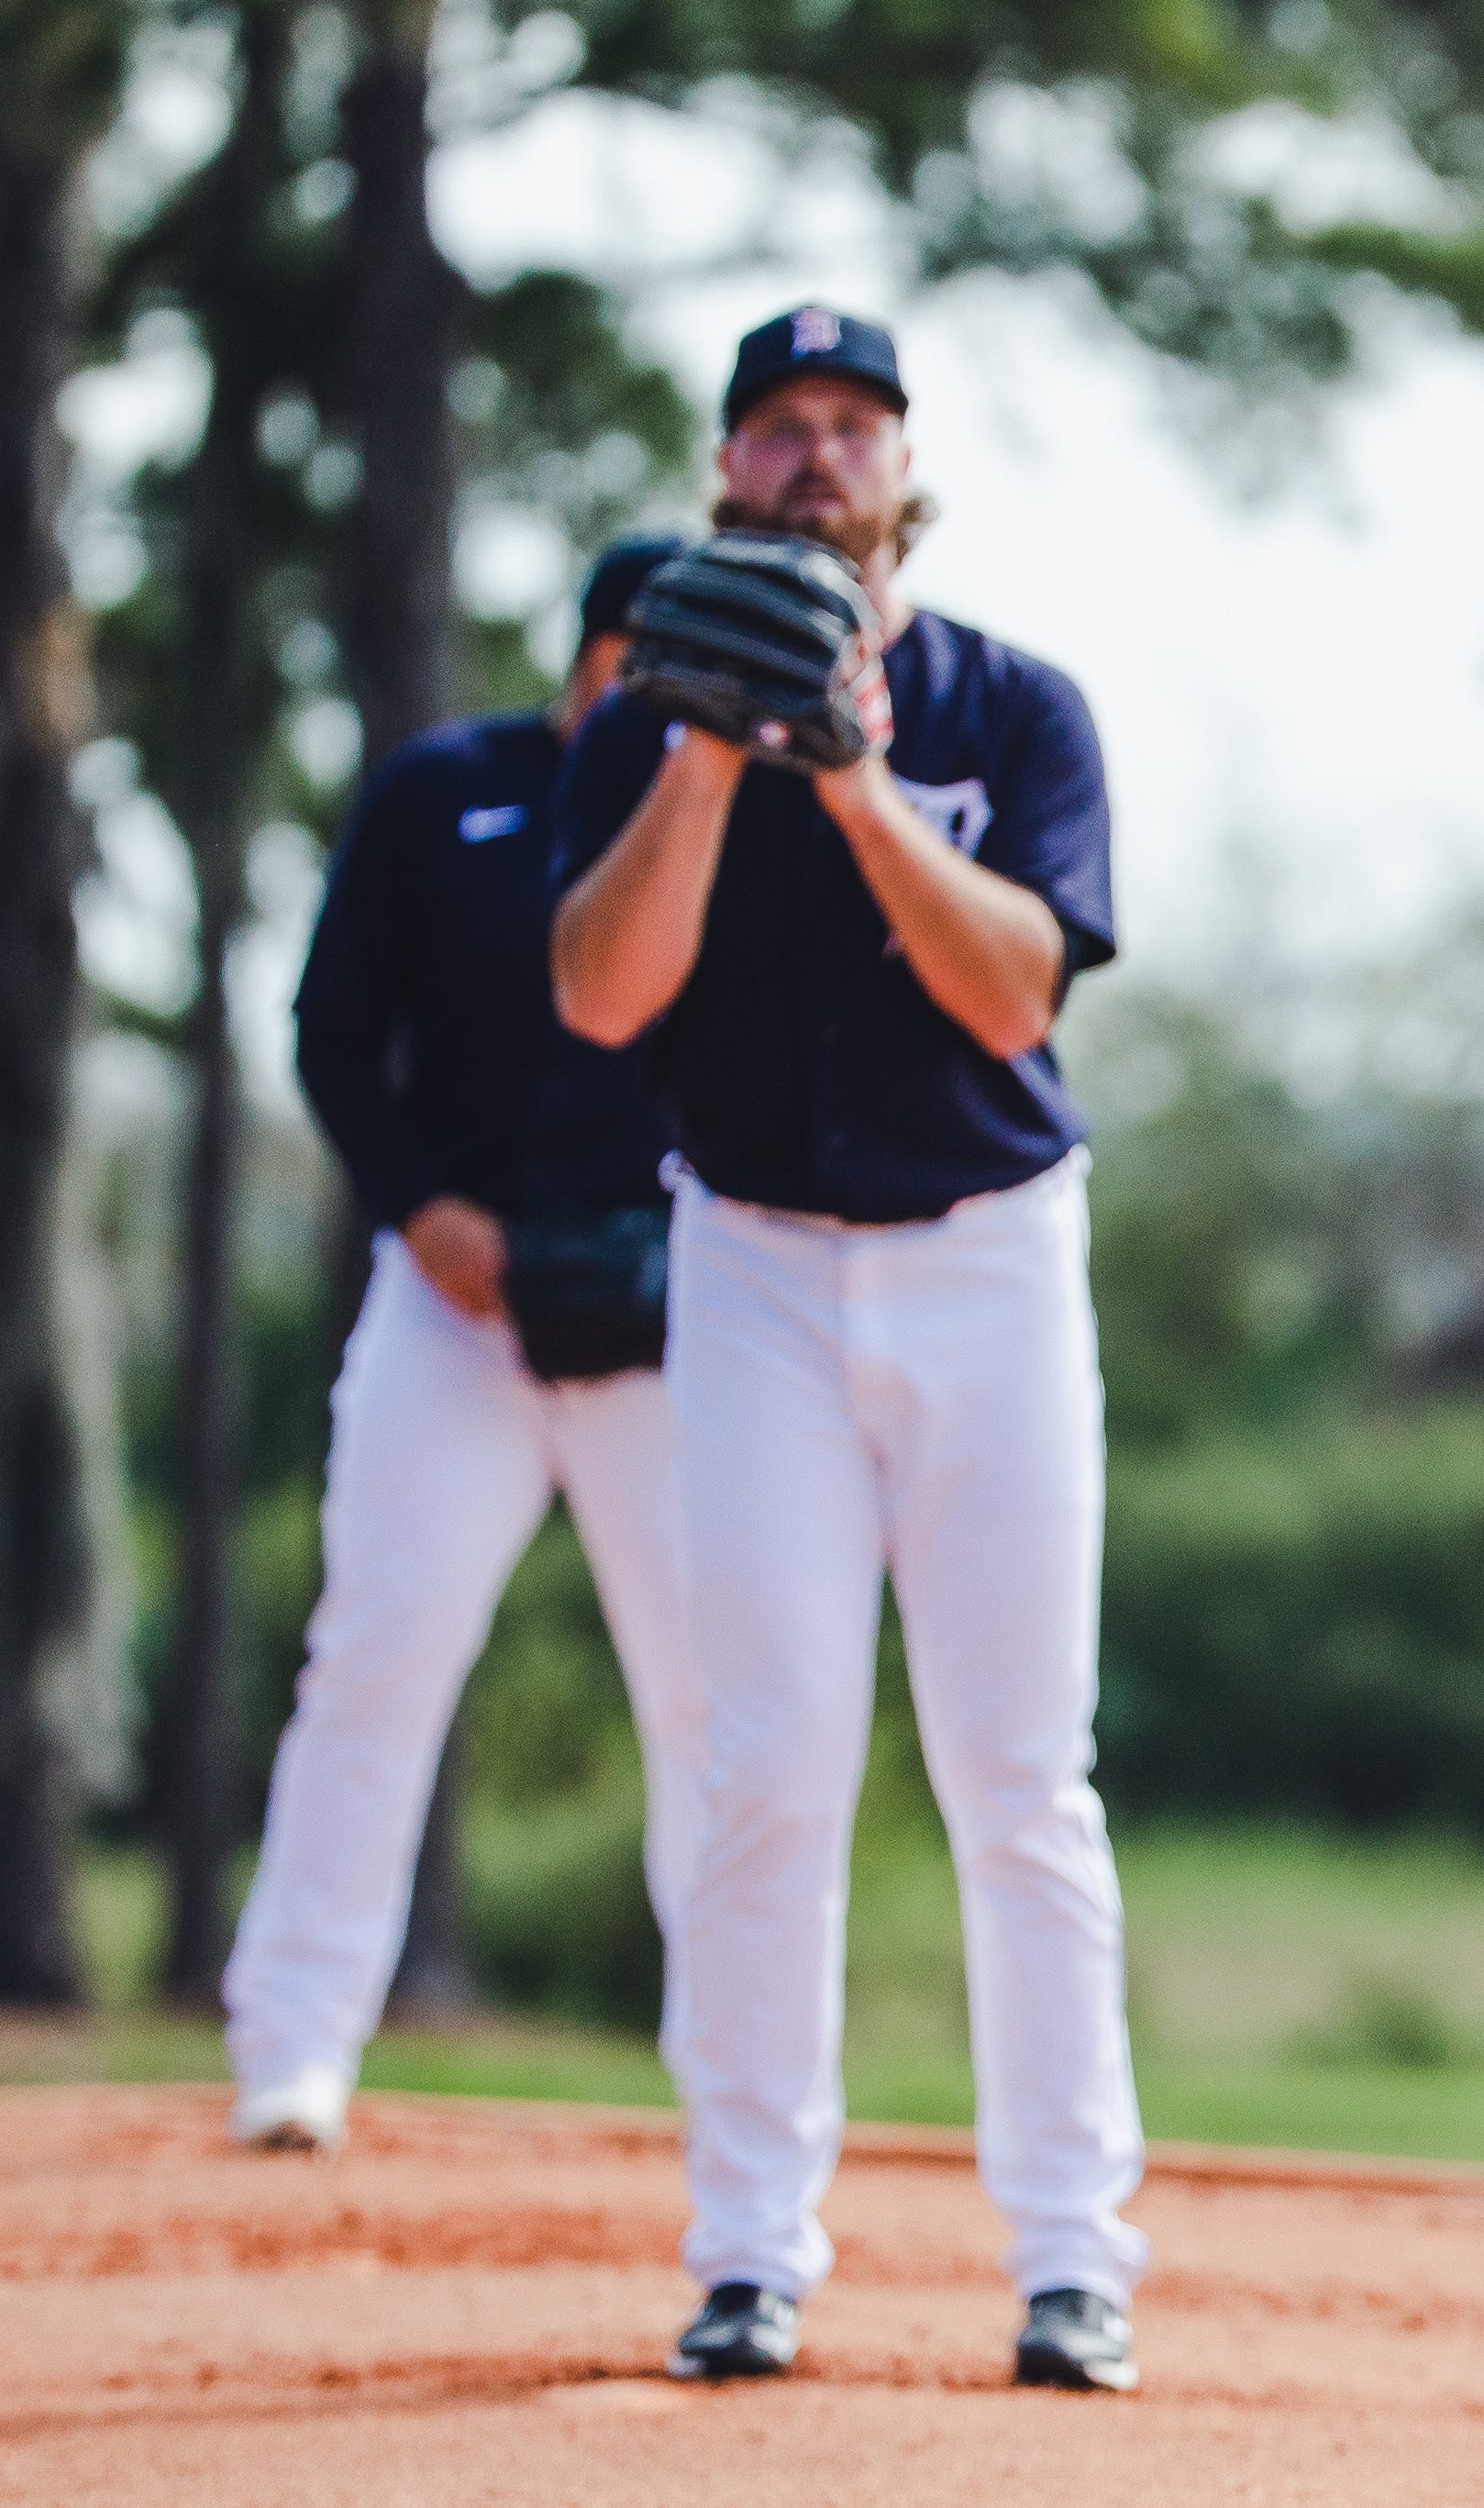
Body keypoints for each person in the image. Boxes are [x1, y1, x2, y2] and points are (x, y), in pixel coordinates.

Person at [548, 305, 1146, 2395]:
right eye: (780, 426)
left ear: (905, 472)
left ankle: (1073, 2254)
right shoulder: (644, 722)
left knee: (1015, 1769)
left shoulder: (1013, 704)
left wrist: (854, 772)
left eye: (852, 425)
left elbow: (1013, 1001)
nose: (817, 455)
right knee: (767, 1758)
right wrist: (711, 746)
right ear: (727, 470)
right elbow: (603, 996)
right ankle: (745, 2249)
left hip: (988, 1259)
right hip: (758, 1271)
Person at [223, 536, 704, 2156]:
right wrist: (421, 1206)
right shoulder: (448, 791)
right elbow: (333, 1031)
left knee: (711, 1693)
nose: (660, 688)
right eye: (641, 654)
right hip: (458, 1304)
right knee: (379, 1648)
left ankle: (741, 2061)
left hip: (674, 1323)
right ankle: (293, 2043)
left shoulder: (734, 811)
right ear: (588, 655)